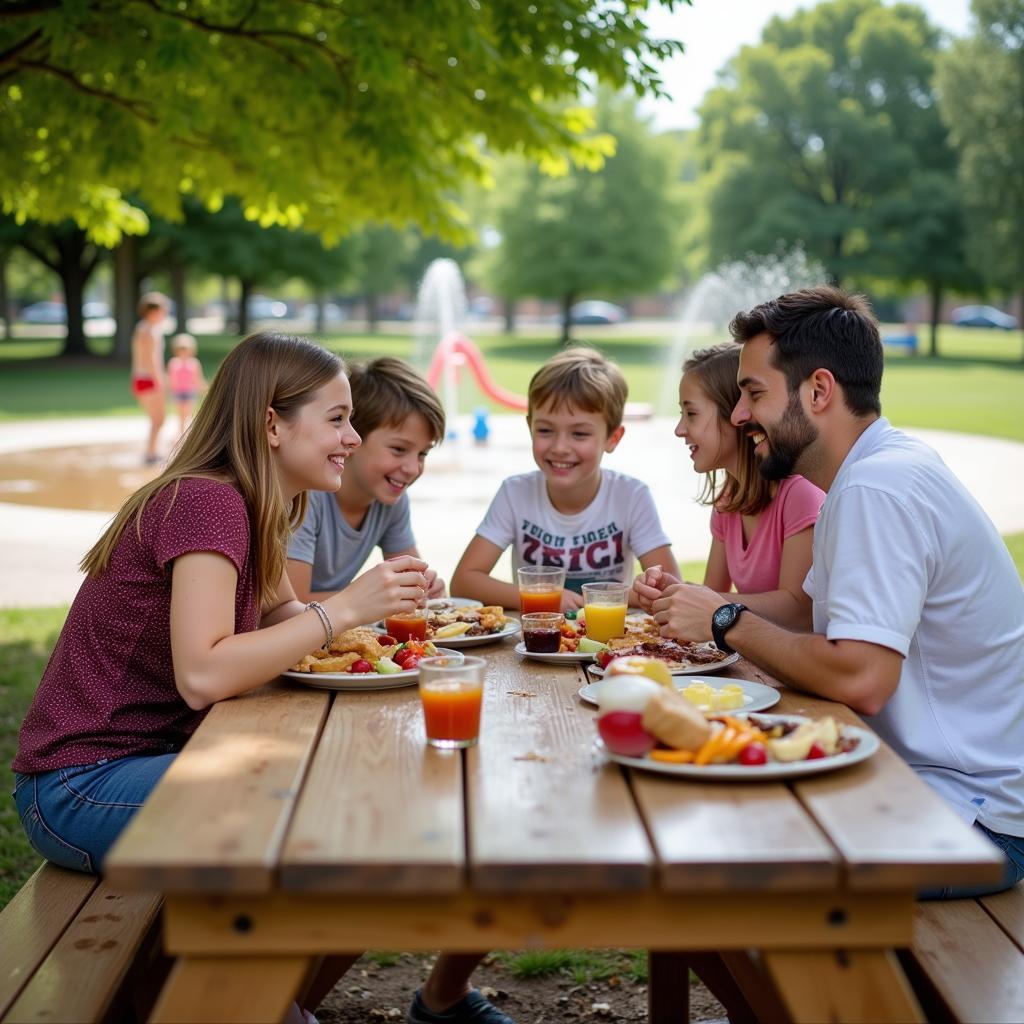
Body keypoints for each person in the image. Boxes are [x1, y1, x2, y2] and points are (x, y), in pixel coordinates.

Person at [10, 332, 452, 1024]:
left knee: (346, 794)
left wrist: (371, 619)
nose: (352, 437)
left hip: (153, 763)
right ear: (272, 424)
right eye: (337, 419)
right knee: (313, 818)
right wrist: (342, 612)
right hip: (79, 784)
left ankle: (267, 1000)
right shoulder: (204, 503)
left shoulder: (253, 504)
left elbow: (284, 621)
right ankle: (249, 1003)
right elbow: (205, 673)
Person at [637, 285, 1024, 897]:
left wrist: (725, 619)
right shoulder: (872, 474)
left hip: (971, 816)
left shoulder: (877, 489)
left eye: (754, 393)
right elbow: (811, 621)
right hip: (928, 784)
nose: (739, 417)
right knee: (691, 808)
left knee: (709, 847)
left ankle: (850, 995)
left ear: (818, 392)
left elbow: (861, 679)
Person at [451, 346, 677, 611]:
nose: (560, 447)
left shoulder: (630, 496)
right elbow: (464, 582)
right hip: (539, 639)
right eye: (546, 430)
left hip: (608, 643)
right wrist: (543, 597)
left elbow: (670, 589)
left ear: (612, 438)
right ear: (529, 427)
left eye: (579, 434)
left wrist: (641, 589)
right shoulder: (515, 493)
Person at [637, 343, 823, 628]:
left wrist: (700, 600)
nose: (679, 429)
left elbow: (797, 610)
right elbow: (712, 594)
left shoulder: (799, 494)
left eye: (692, 414)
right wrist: (674, 592)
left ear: (735, 415)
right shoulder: (728, 501)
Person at [288, 357, 446, 602]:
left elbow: (410, 578)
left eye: (423, 453)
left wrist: (422, 589)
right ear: (352, 438)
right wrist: (379, 595)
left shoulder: (390, 498)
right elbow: (291, 605)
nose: (413, 468)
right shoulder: (305, 496)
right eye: (398, 449)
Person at [131, 292, 170, 464]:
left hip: (141, 379)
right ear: (153, 311)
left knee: (157, 419)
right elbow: (150, 360)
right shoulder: (149, 330)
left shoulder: (143, 328)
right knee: (159, 419)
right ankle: (150, 454)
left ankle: (152, 452)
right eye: (163, 310)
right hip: (149, 380)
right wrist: (160, 381)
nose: (165, 314)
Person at [166, 332, 208, 436]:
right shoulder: (173, 363)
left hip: (189, 392)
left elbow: (198, 378)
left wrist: (205, 388)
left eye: (186, 349)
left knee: (188, 414)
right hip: (178, 392)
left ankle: (185, 433)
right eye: (181, 349)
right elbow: (170, 379)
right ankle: (181, 433)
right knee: (181, 415)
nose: (183, 352)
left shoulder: (194, 363)